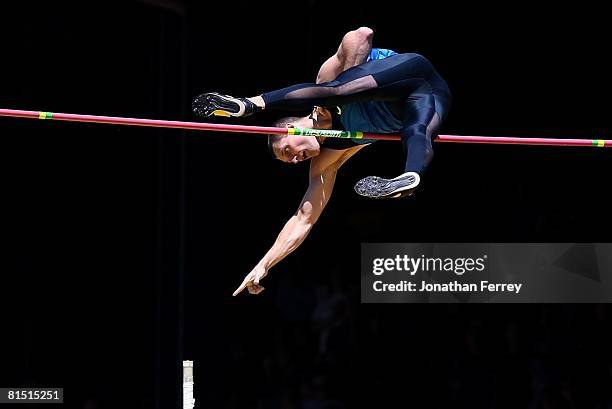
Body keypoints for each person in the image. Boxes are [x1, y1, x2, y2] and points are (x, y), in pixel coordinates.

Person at [192, 27, 451, 295]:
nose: (294, 160)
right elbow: (304, 218)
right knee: (418, 131)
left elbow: (362, 34)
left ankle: (249, 104)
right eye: (289, 161)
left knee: (335, 91)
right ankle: (410, 177)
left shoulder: (323, 84)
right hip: (429, 96)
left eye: (286, 151)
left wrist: (350, 77)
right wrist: (264, 264)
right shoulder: (329, 158)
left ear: (291, 128)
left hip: (406, 73)